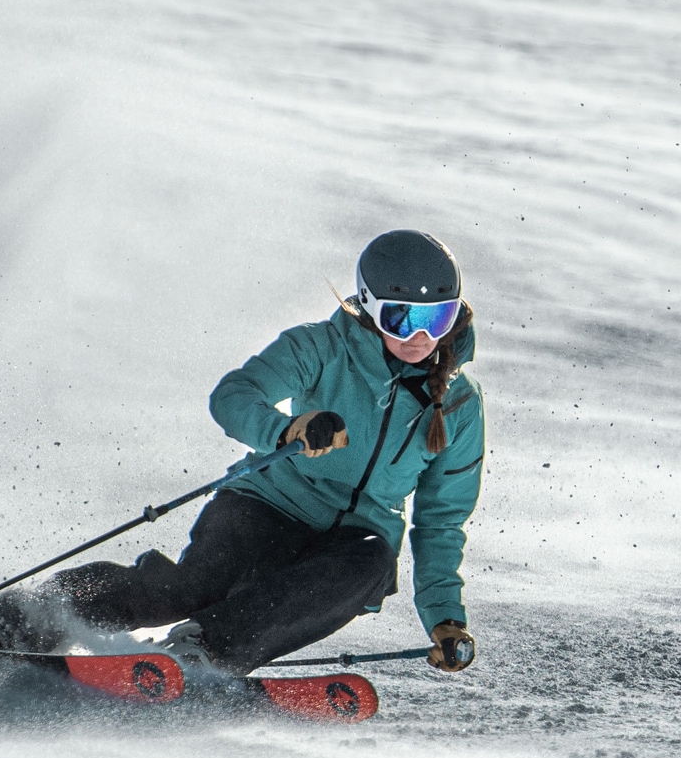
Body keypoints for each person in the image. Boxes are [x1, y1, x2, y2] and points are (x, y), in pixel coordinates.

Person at [53, 229, 485, 675]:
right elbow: (234, 396)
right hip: (265, 505)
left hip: (348, 544)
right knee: (190, 590)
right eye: (401, 319)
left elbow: (441, 521)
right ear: (370, 306)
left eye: (437, 320)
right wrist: (286, 430)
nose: (419, 337)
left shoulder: (460, 405)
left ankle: (205, 652)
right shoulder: (322, 348)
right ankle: (41, 612)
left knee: (374, 561)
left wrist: (444, 617)